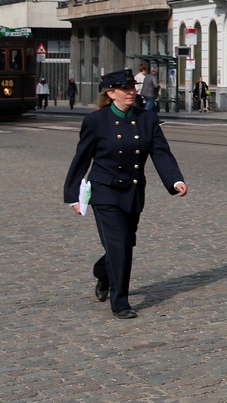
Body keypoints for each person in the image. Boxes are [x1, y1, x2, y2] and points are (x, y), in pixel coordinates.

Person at [62, 68, 188, 319]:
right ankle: (120, 302)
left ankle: (102, 272)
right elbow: (82, 158)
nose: (132, 92)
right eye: (125, 89)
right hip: (104, 191)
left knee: (124, 244)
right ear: (111, 93)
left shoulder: (147, 119)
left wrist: (175, 180)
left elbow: (160, 152)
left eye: (133, 87)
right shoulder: (96, 121)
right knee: (119, 247)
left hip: (132, 190)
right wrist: (73, 196)